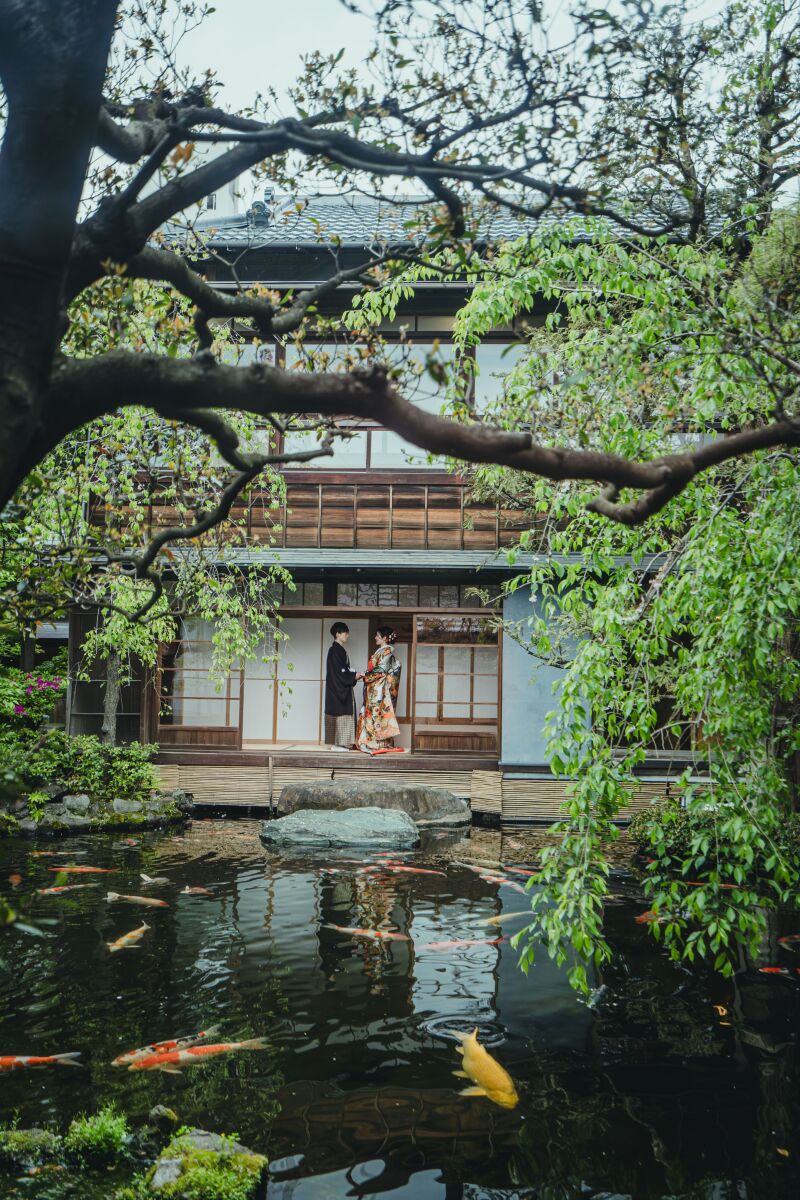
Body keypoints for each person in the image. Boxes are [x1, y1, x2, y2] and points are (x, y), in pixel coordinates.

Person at [356, 626, 403, 754]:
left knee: (377, 715)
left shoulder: (387, 652)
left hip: (380, 690)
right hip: (374, 688)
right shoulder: (381, 651)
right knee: (372, 714)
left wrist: (365, 675)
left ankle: (378, 743)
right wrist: (366, 675)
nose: (375, 637)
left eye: (378, 635)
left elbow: (381, 670)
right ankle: (370, 741)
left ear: (384, 638)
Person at [324, 622, 362, 750]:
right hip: (337, 690)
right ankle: (338, 744)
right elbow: (340, 672)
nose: (348, 635)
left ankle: (341, 743)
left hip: (337, 688)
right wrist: (353, 675)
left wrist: (353, 674)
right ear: (338, 634)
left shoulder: (337, 649)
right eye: (345, 632)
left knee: (341, 714)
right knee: (340, 713)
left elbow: (342, 670)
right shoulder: (335, 650)